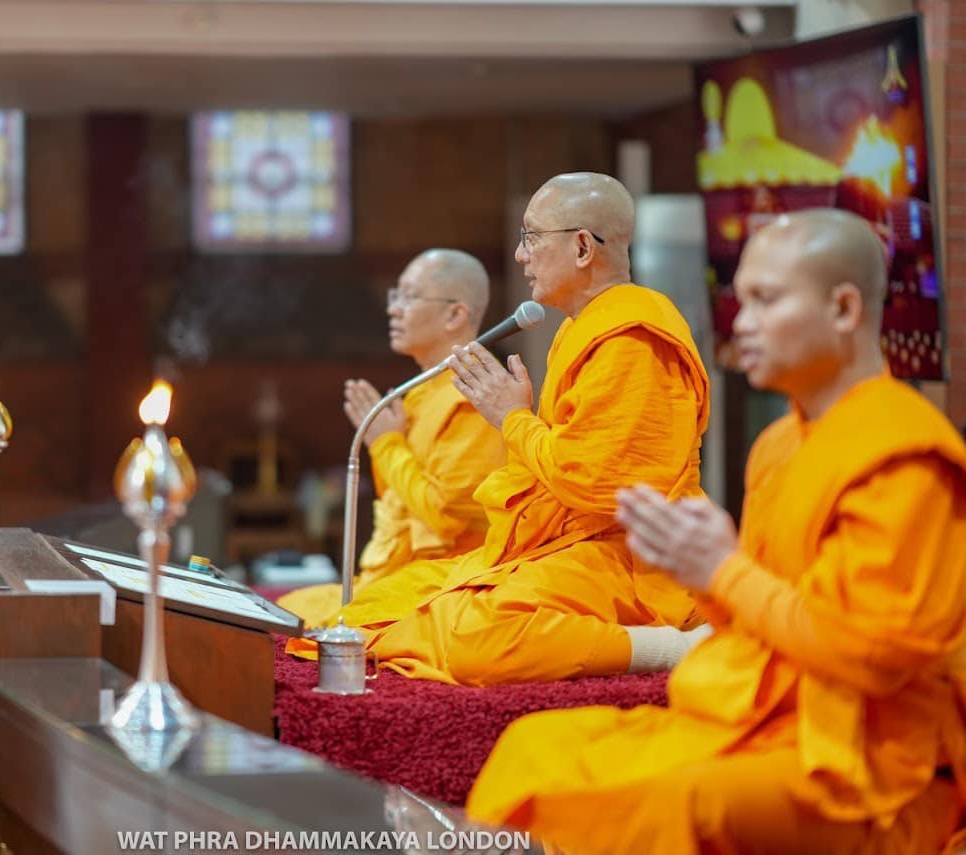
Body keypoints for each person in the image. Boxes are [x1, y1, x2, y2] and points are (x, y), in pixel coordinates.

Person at [468, 209, 966, 852]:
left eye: (766, 301)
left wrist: (721, 570)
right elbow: (757, 613)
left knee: (677, 805)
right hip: (763, 712)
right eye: (741, 301)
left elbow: (871, 656)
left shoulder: (903, 456)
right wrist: (698, 572)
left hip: (865, 759)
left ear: (844, 309)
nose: (742, 325)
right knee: (534, 747)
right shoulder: (780, 444)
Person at [294, 172, 711, 685]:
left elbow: (600, 485)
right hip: (563, 543)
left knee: (476, 637)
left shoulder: (633, 339)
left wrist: (511, 418)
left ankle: (671, 647)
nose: (520, 255)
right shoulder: (582, 330)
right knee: (379, 608)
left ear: (582, 247)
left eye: (531, 237)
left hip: (628, 554)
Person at [278, 249, 505, 628]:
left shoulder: (475, 394)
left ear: (455, 314)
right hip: (402, 572)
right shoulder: (421, 392)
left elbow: (445, 517)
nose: (394, 309)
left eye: (410, 297)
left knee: (337, 625)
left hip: (450, 576)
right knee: (288, 608)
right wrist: (388, 444)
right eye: (394, 296)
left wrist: (385, 444)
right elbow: (398, 504)